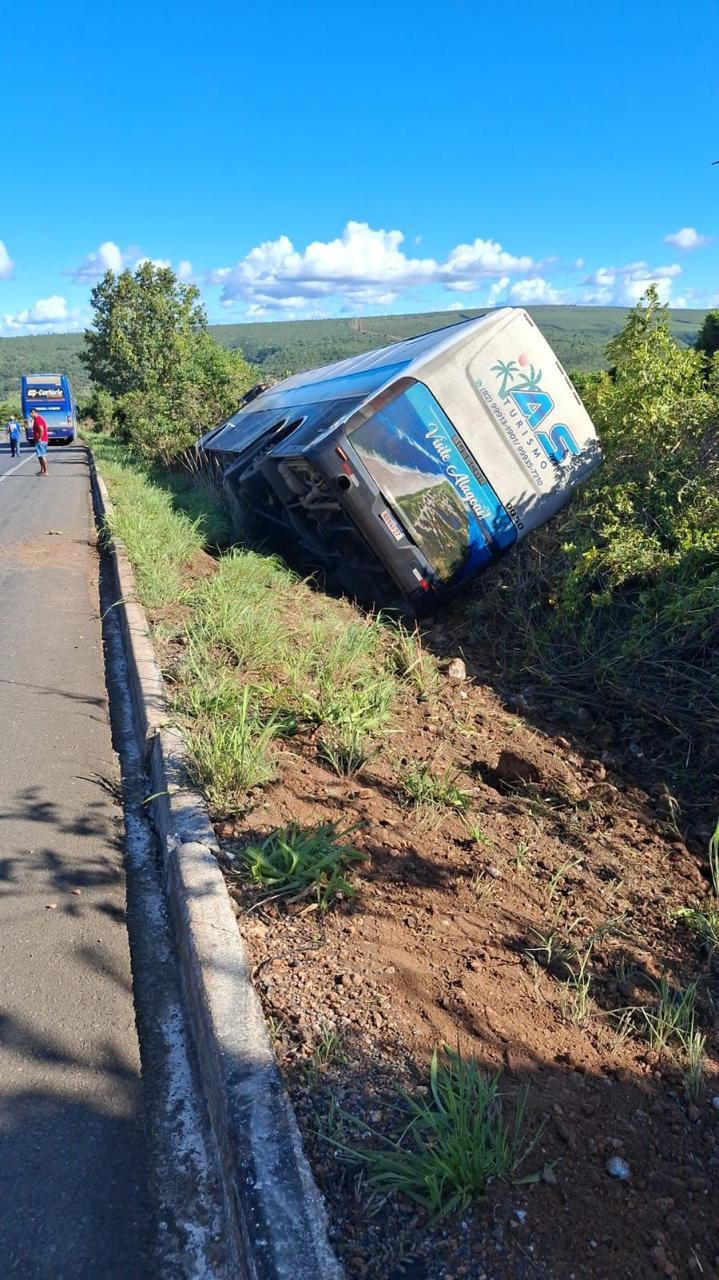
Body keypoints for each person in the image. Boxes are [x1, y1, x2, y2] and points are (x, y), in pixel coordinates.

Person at [30, 408, 49, 476]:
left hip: (40, 441)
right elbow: (45, 428)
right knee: (40, 456)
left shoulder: (38, 419)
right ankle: (42, 470)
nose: (31, 414)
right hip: (42, 440)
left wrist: (39, 437)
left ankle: (46, 471)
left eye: (32, 413)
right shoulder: (37, 419)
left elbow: (42, 429)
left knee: (42, 455)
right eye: (30, 413)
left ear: (36, 413)